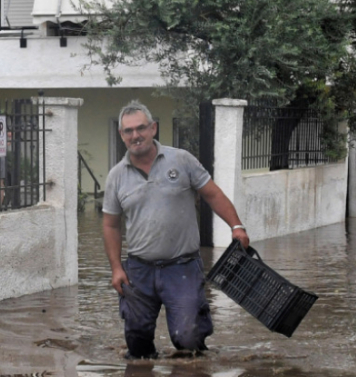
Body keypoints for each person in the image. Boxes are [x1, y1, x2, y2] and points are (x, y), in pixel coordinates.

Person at [102, 101, 250, 360]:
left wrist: (236, 226)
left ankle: (194, 370)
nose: (135, 135)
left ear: (153, 128)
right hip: (139, 270)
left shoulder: (181, 160)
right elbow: (110, 224)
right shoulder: (116, 176)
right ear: (122, 135)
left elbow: (212, 194)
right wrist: (116, 268)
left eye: (141, 128)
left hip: (182, 267)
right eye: (128, 131)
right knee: (137, 345)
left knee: (188, 339)